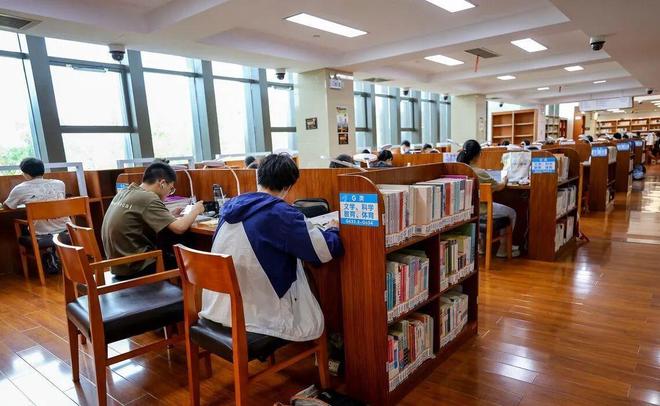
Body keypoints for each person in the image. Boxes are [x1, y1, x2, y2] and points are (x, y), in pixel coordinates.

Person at [201, 154, 343, 341]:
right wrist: (333, 229)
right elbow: (322, 251)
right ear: (288, 187)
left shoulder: (230, 207)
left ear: (259, 177)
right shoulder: (279, 213)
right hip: (258, 318)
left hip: (218, 309)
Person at [101, 162, 204, 279]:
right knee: (190, 259)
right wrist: (196, 210)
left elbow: (138, 216)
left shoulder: (125, 192)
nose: (169, 194)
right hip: (136, 267)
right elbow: (180, 228)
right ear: (162, 183)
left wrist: (169, 216)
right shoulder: (149, 198)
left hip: (117, 265)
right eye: (171, 189)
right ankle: (190, 290)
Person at [3, 157, 70, 273]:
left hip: (42, 233)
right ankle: (52, 253)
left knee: (24, 226)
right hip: (66, 229)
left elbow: (8, 206)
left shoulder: (20, 188)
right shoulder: (60, 184)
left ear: (25, 173)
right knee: (44, 222)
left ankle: (49, 254)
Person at [457, 140, 520, 258]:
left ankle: (481, 247)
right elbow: (499, 186)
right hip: (483, 211)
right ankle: (503, 249)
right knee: (512, 213)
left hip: (469, 212)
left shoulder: (459, 170)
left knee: (482, 204)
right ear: (477, 155)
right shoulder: (480, 173)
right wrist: (505, 179)